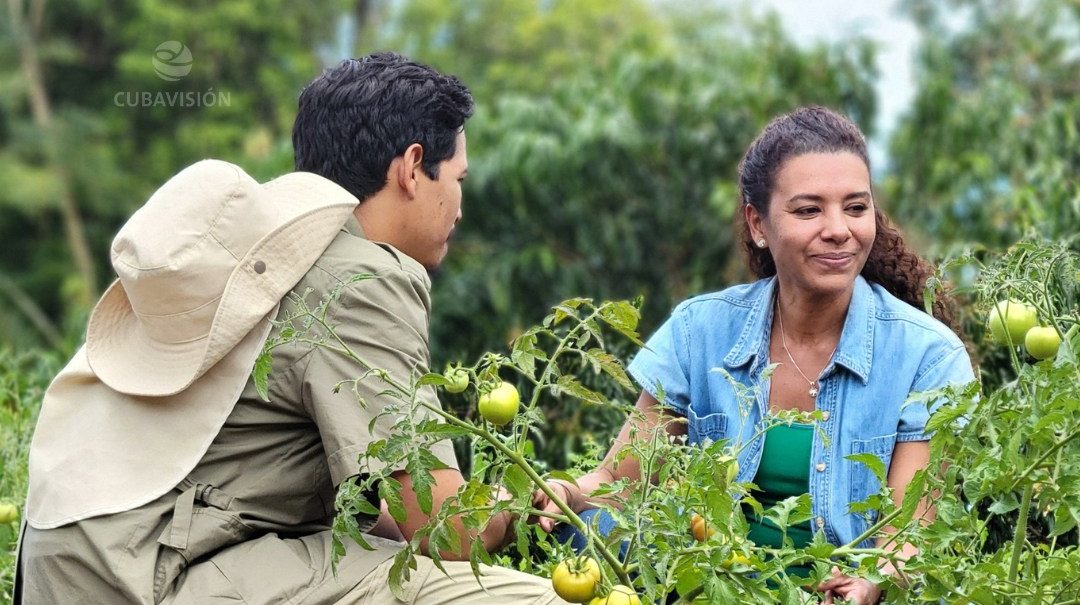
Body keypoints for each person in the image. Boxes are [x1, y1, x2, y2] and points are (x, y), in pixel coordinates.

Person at [16, 53, 569, 604]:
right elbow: (446, 527)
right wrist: (526, 504)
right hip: (150, 578)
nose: (460, 207)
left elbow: (366, 517)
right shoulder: (361, 277)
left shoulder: (263, 253)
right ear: (411, 167)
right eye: (457, 178)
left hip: (70, 572)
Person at [534, 106, 975, 604]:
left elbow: (911, 533)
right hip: (712, 591)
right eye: (808, 211)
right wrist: (566, 493)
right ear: (758, 223)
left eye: (856, 207)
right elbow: (621, 481)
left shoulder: (927, 355)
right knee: (592, 531)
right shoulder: (701, 331)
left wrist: (873, 580)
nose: (838, 229)